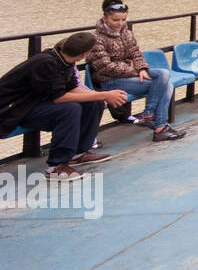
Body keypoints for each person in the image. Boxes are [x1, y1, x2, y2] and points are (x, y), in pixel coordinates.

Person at [0, 32, 129, 181]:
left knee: (94, 102)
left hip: (34, 103)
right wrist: (104, 95)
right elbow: (59, 98)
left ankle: (78, 153)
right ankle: (55, 166)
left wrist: (102, 95)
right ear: (84, 54)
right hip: (13, 110)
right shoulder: (46, 63)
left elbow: (72, 88)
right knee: (70, 109)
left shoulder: (65, 60)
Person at [89, 0, 186, 142]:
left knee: (164, 75)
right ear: (105, 18)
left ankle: (149, 114)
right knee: (167, 86)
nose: (120, 23)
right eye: (115, 20)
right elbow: (105, 67)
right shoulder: (96, 39)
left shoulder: (126, 33)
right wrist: (134, 71)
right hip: (110, 81)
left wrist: (142, 69)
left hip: (130, 75)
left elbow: (136, 54)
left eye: (123, 20)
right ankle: (160, 127)